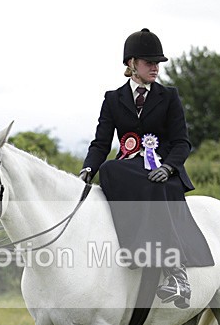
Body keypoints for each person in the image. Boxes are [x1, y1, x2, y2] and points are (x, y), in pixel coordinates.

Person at [80, 28, 212, 309]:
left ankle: (177, 274)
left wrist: (168, 167)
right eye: (149, 62)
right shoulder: (113, 99)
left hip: (162, 174)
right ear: (131, 64)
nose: (155, 67)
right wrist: (87, 170)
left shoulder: (169, 96)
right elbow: (101, 142)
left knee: (149, 181)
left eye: (158, 63)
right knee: (110, 169)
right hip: (129, 170)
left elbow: (182, 143)